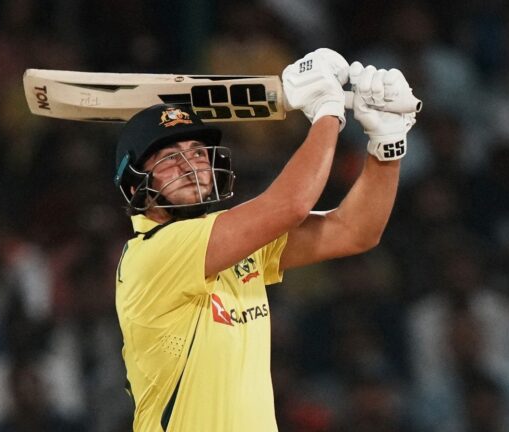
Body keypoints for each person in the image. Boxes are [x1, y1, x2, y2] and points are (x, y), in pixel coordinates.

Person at [113, 48, 418, 431]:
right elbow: (291, 204)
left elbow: (354, 231)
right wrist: (327, 111)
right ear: (136, 184)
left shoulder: (230, 241)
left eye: (197, 152)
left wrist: (386, 145)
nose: (191, 166)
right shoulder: (153, 253)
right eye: (169, 158)